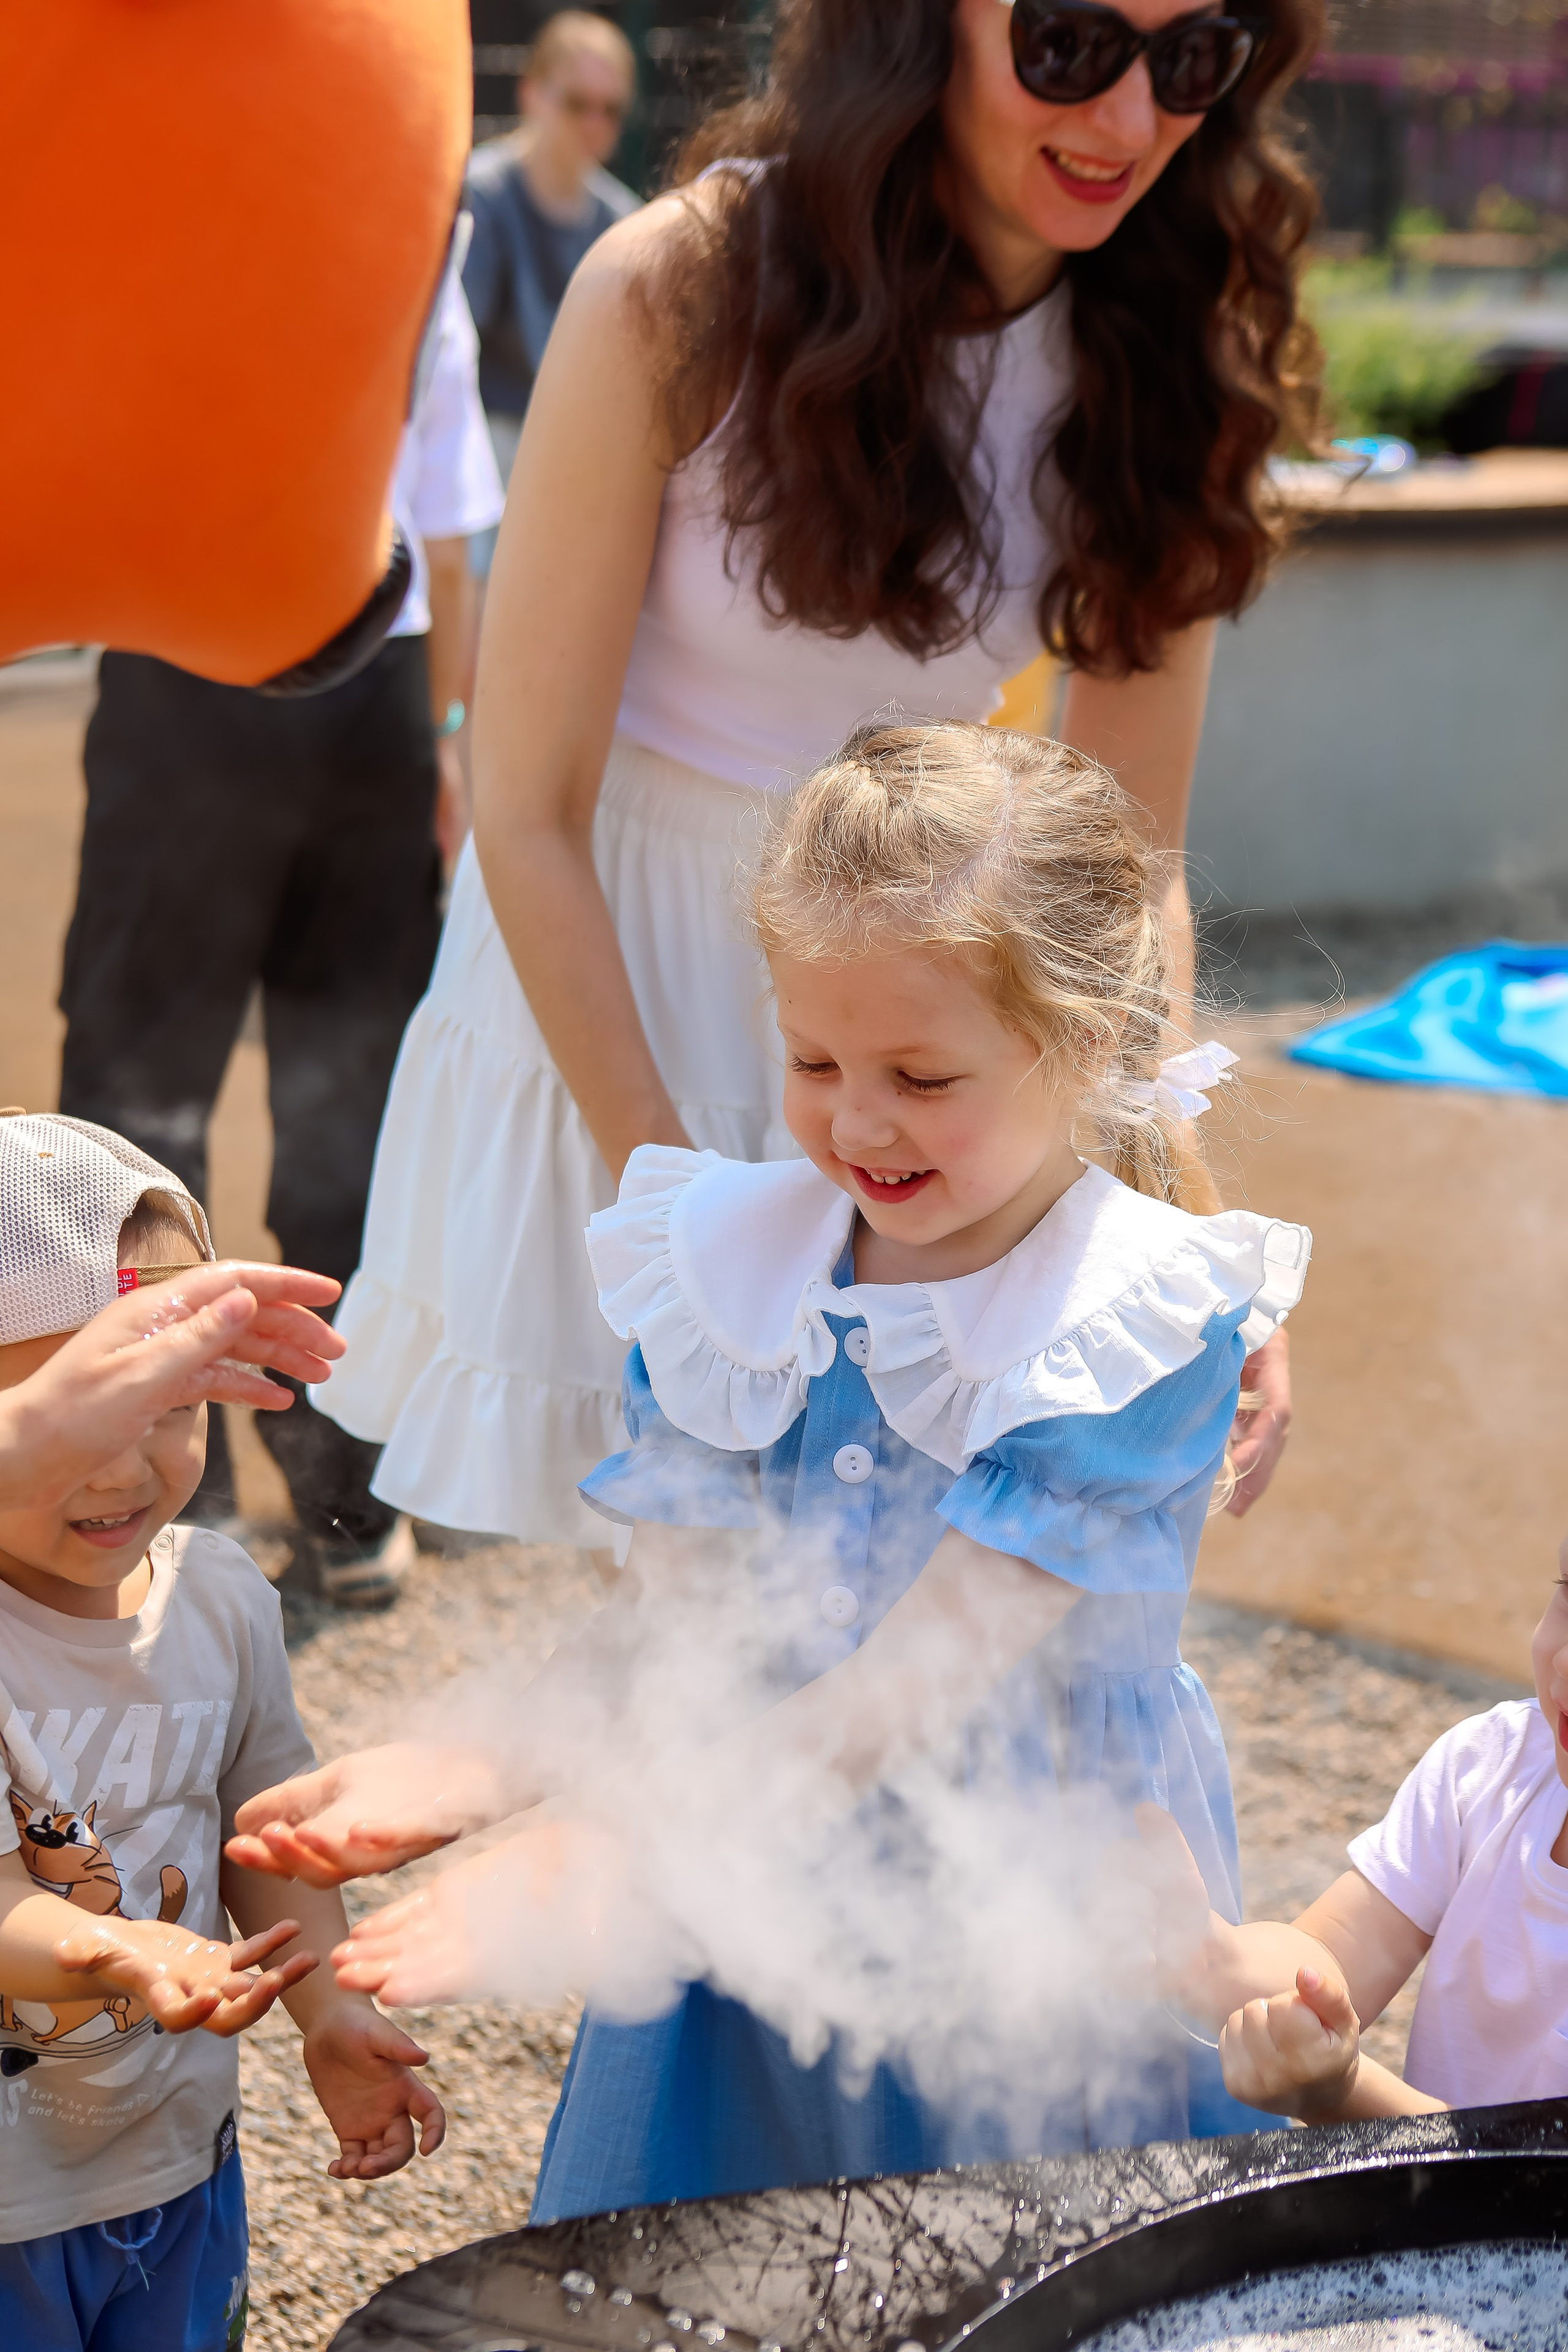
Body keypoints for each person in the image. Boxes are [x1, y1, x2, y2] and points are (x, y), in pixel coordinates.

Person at [233, 722, 1311, 2211]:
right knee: (716, 2247)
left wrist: (624, 1850)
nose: (856, 1120)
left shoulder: (1124, 1331)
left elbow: (905, 1695)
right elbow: (684, 1628)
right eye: (810, 1059)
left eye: (920, 1075)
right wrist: (486, 1761)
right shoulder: (728, 1273)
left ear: (1082, 1041)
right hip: (735, 1858)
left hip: (1025, 1887)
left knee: (995, 2260)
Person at [320, 0, 1321, 1558]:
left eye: (1190, 58)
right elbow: (523, 804)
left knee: (891, 1596)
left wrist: (1176, 1229)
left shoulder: (1163, 347)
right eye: (1066, 44)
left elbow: (1123, 869)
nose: (1128, 119)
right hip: (615, 986)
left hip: (915, 1007)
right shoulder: (680, 286)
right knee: (665, 1591)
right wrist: (685, 1222)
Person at [57, 266, 503, 1608]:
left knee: (195, 1112)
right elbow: (450, 536)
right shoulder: (410, 227)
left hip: (237, 667)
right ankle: (301, 1499)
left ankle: (199, 1493)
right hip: (328, 677)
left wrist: (443, 740)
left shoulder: (181, 219)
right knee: (270, 1112)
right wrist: (445, 735)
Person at [0, 1114, 443, 2349]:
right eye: (74, 1413)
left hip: (176, 2161)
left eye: (169, 1402)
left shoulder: (220, 1594)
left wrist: (330, 2012)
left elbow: (262, 1828)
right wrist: (115, 1951)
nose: (123, 1469)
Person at [1145, 1529, 1568, 2124]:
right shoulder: (1490, 1766)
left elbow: (1527, 2173)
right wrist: (1211, 1955)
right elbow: (1334, 1953)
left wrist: (1343, 2094)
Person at [461, 7, 640, 573]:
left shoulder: (623, 223)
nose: (594, 123)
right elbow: (457, 357)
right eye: (577, 103)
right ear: (532, 94)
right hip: (490, 433)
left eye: (610, 110)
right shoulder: (482, 197)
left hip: (577, 444)